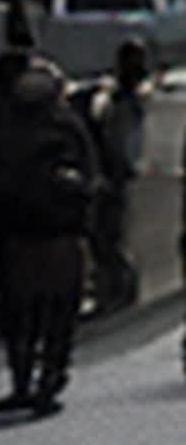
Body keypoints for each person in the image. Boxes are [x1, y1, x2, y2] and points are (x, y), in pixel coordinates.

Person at [0, 49, 98, 414]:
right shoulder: (66, 121)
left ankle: (25, 377)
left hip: (19, 231)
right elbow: (90, 171)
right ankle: (50, 372)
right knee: (61, 311)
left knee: (20, 310)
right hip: (60, 231)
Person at [85, 37, 149, 312]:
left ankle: (117, 288)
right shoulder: (124, 98)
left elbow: (120, 141)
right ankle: (114, 286)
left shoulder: (126, 101)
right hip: (115, 171)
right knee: (107, 234)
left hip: (114, 171)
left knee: (108, 234)